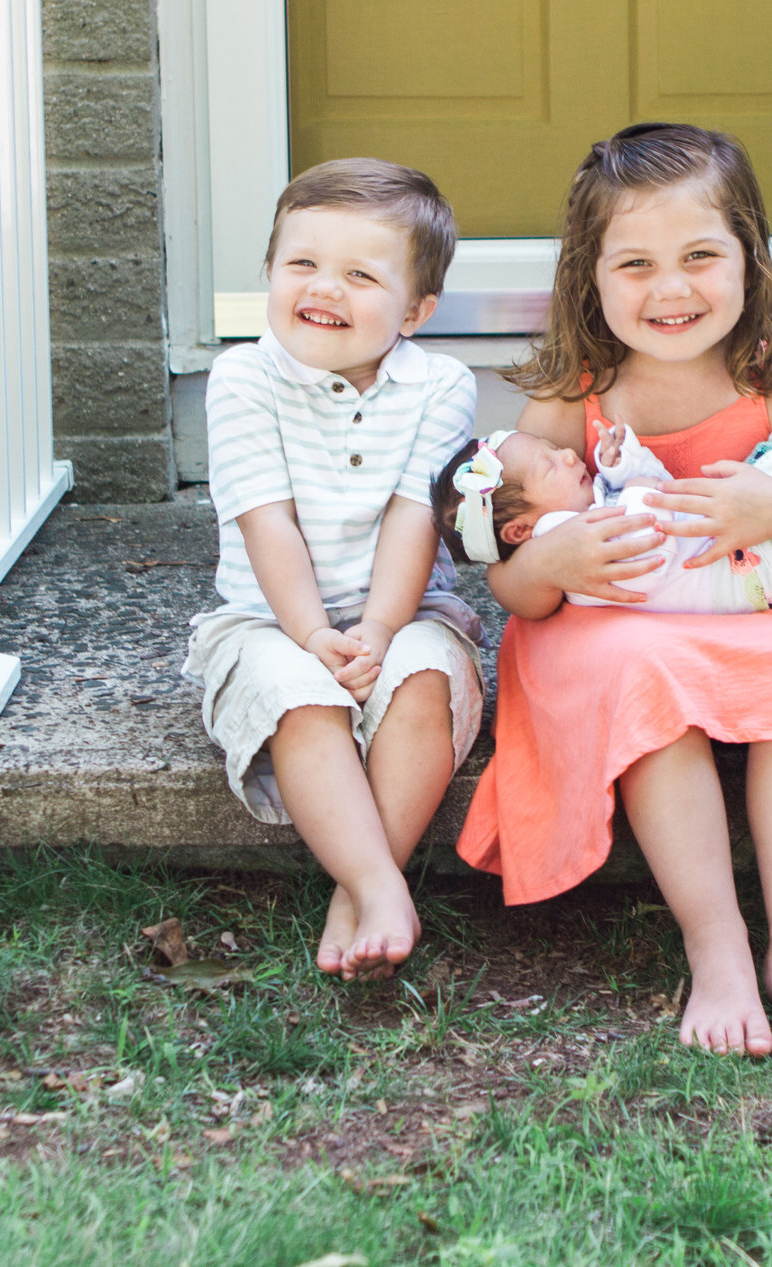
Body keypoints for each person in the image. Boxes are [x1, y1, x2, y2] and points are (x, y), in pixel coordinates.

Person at [455, 123, 772, 1061]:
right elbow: (512, 579)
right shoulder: (577, 393)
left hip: (740, 618)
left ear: (750, 255)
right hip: (604, 634)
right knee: (647, 676)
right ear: (590, 277)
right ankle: (718, 946)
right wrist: (557, 560)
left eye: (701, 254)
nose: (671, 288)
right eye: (636, 264)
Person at [182, 159, 481, 981]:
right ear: (271, 274)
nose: (325, 288)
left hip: (405, 609)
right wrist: (314, 633)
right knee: (300, 697)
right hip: (271, 616)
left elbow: (412, 518)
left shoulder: (441, 386)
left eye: (360, 273)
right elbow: (266, 519)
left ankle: (356, 895)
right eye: (302, 264)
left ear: (415, 311)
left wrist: (380, 630)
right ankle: (384, 884)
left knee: (422, 681)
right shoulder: (244, 378)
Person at [429, 356, 772, 614]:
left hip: (750, 549)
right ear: (518, 531)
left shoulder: (584, 516)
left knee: (767, 464)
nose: (568, 454)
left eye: (556, 448)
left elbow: (649, 490)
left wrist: (620, 463)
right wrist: (639, 489)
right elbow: (648, 546)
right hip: (763, 572)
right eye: (550, 465)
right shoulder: (572, 559)